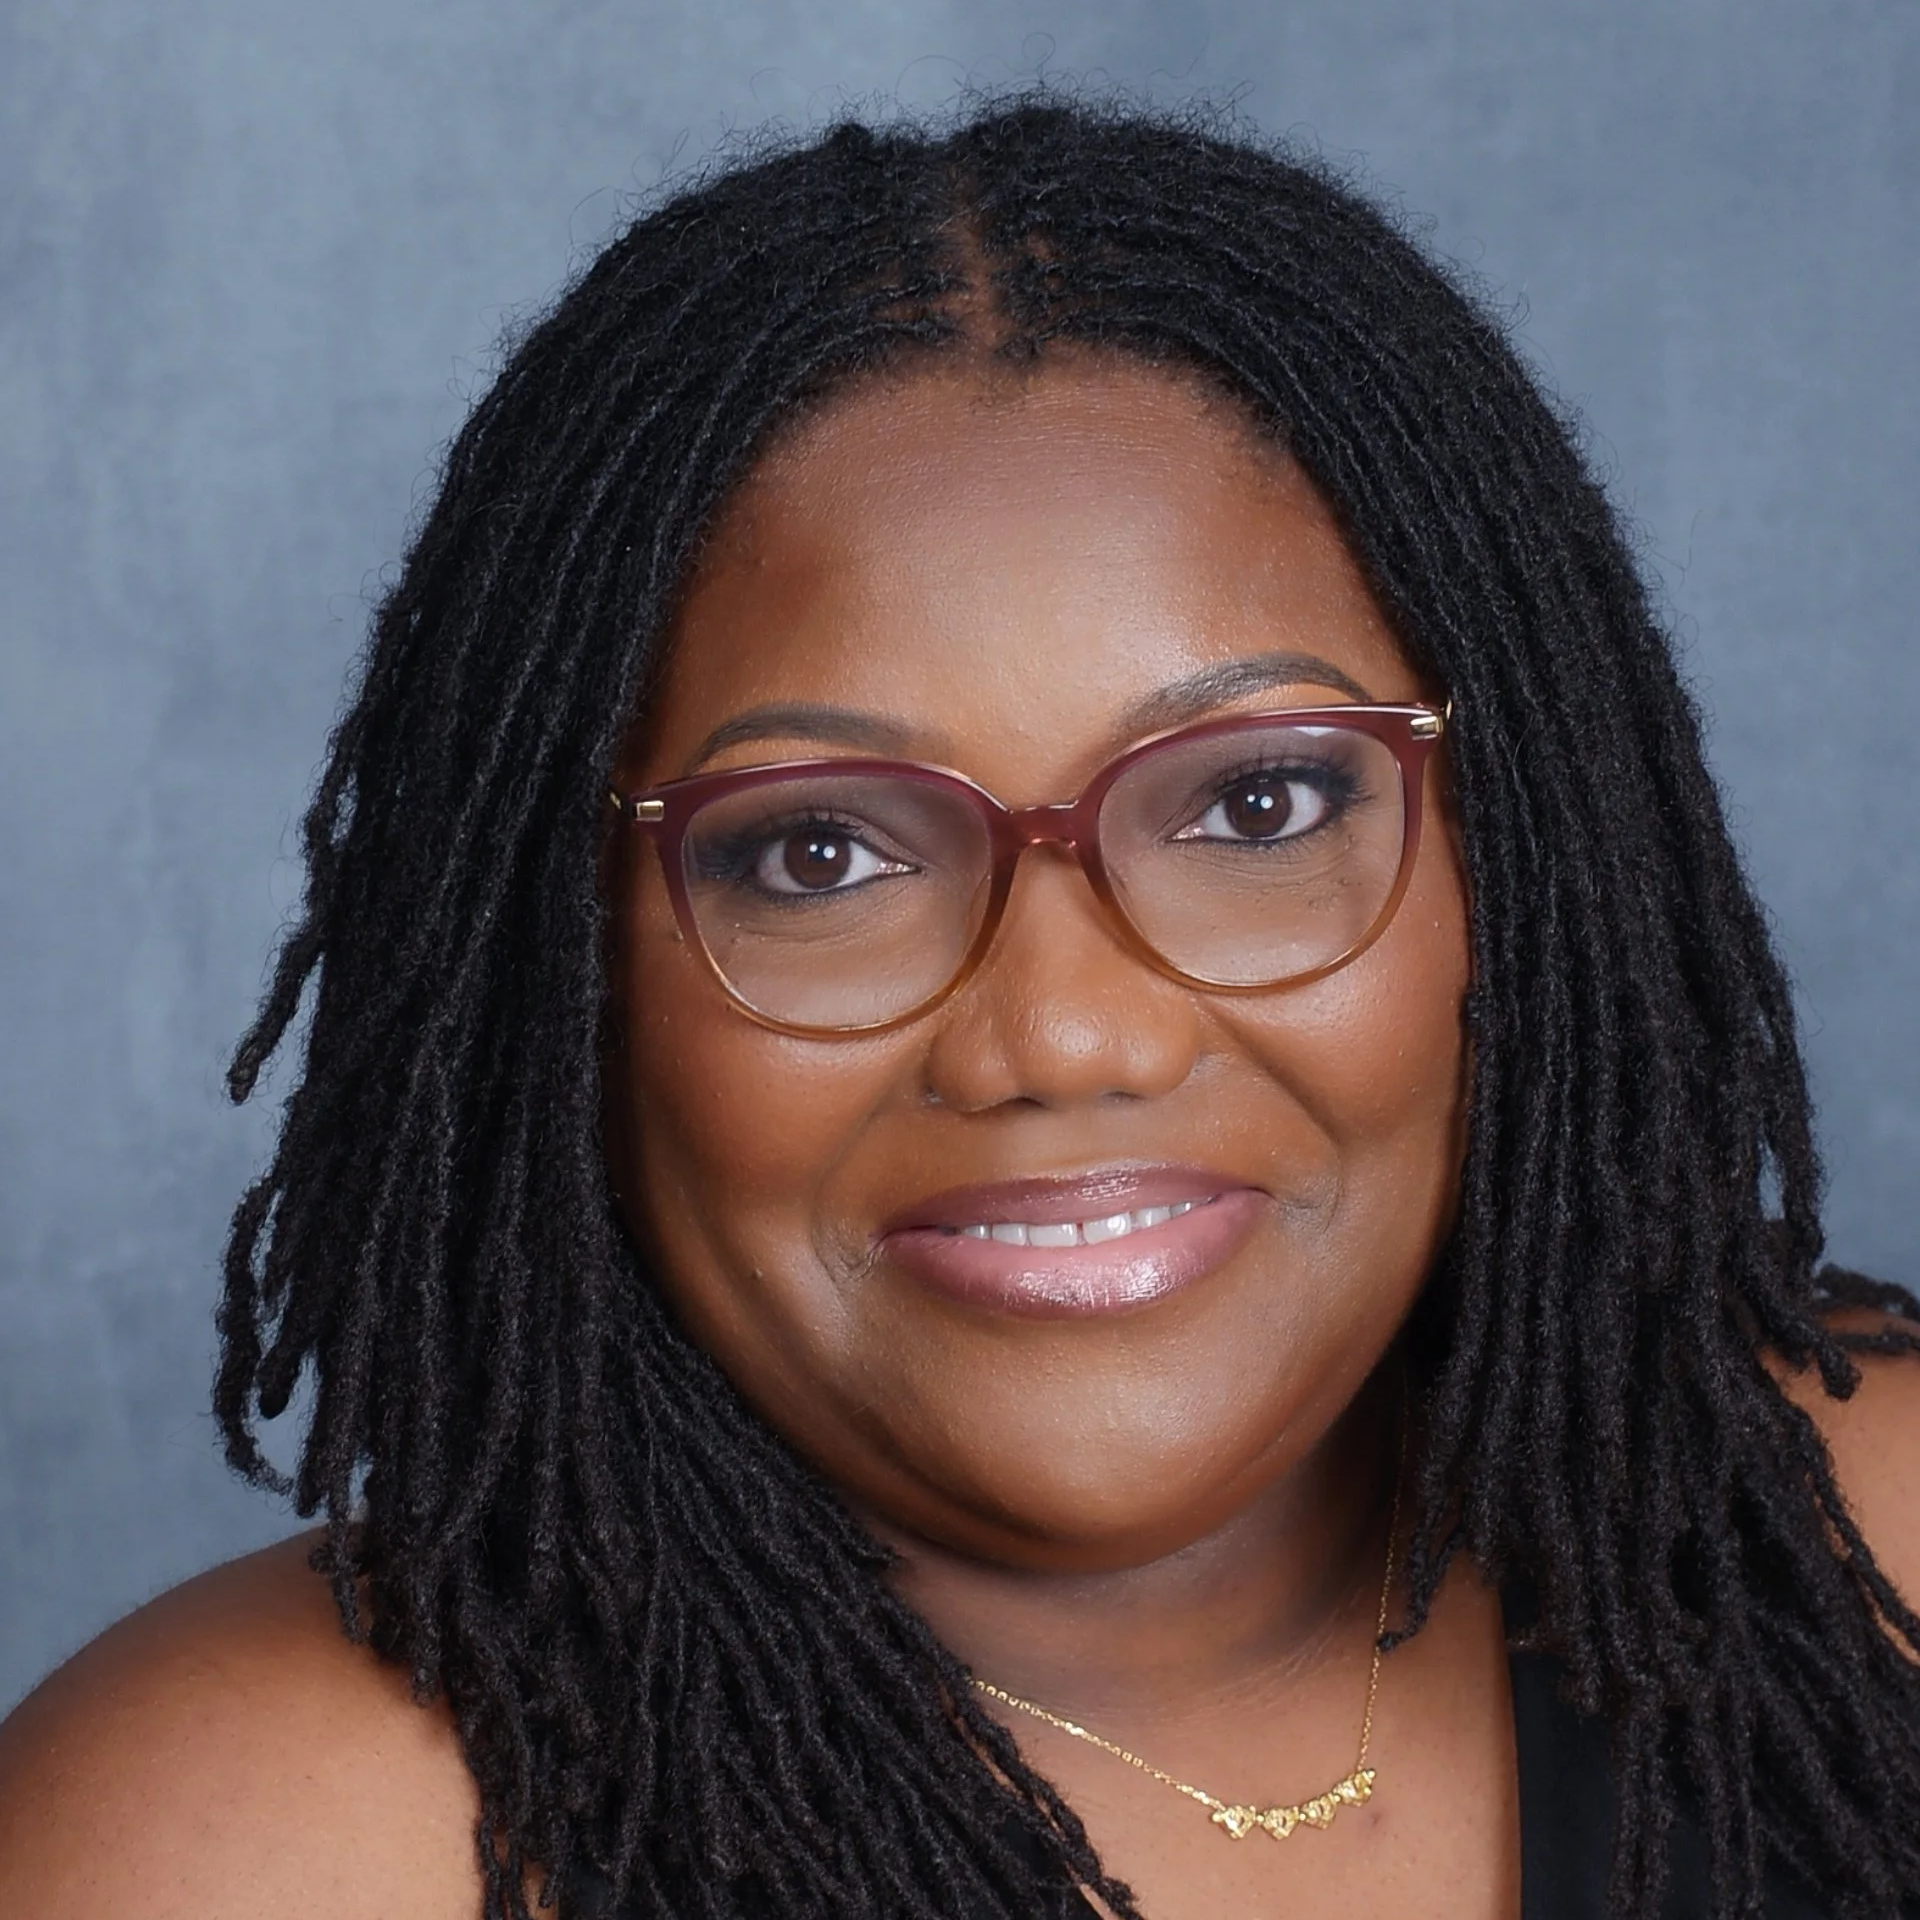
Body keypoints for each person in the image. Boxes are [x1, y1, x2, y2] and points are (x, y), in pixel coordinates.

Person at [0, 97, 1915, 1920]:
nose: (1067, 1038)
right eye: (819, 853)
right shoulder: (238, 1841)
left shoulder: (1874, 1550)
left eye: (1258, 803)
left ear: (1537, 868)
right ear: (553, 972)